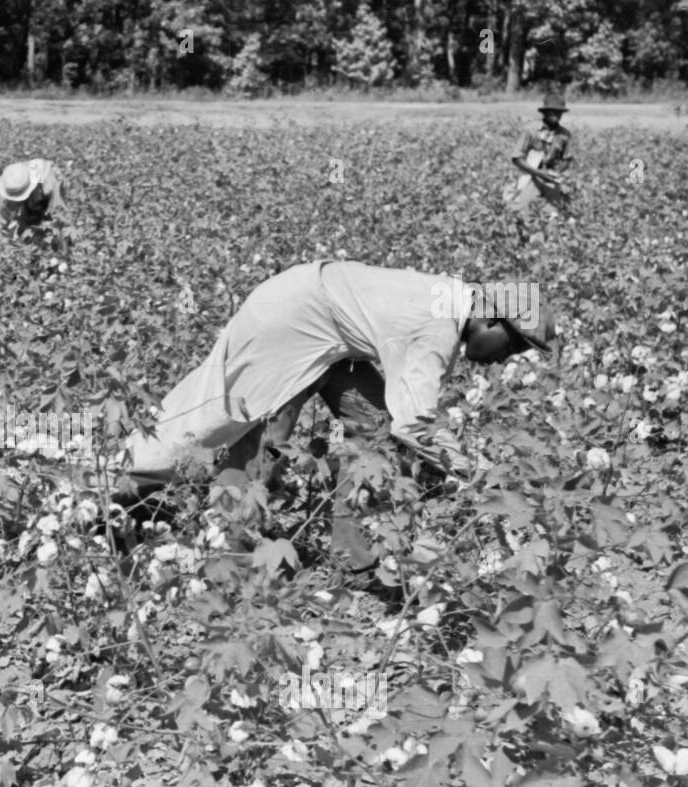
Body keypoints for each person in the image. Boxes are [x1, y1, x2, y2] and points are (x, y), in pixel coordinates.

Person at [120, 261, 557, 570]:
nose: (505, 360)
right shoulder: (437, 327)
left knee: (374, 434)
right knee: (241, 431)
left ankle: (354, 556)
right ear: (493, 320)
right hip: (291, 321)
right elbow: (416, 424)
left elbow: (397, 424)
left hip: (328, 329)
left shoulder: (452, 299)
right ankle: (193, 532)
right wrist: (474, 471)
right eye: (513, 347)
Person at [504, 93, 575, 231]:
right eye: (553, 112)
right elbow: (516, 158)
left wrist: (557, 172)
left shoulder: (564, 135)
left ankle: (549, 245)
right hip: (531, 176)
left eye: (559, 113)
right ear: (545, 113)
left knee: (554, 216)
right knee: (523, 214)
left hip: (551, 178)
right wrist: (539, 173)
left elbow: (567, 159)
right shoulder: (531, 130)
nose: (557, 116)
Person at [0, 158, 66, 250]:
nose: (14, 201)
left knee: (52, 237)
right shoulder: (7, 184)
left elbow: (61, 216)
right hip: (29, 211)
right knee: (20, 236)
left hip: (46, 207)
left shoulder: (50, 181)